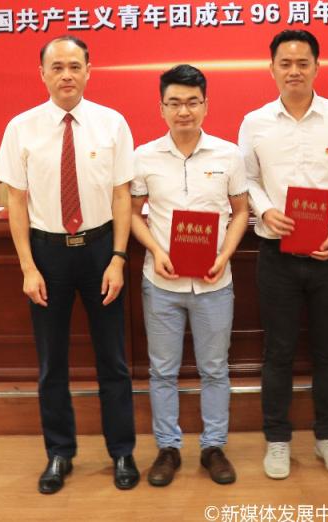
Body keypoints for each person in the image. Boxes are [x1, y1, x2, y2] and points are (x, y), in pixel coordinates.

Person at [0, 35, 139, 494]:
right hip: (48, 254)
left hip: (100, 251)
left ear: (89, 71)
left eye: (75, 66)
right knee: (51, 362)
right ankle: (59, 452)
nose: (66, 75)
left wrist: (118, 258)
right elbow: (16, 202)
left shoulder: (112, 124)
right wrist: (27, 267)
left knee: (113, 359)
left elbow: (122, 195)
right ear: (42, 74)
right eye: (56, 67)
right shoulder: (21, 128)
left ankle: (122, 452)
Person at [238, 29, 328, 480]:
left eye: (302, 63)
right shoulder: (255, 122)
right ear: (271, 68)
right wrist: (265, 210)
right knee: (277, 352)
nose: (294, 71)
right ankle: (277, 440)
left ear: (317, 66)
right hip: (276, 255)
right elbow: (246, 180)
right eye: (285, 63)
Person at [130, 65, 249, 487]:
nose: (184, 111)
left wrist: (225, 254)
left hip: (214, 282)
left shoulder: (228, 155)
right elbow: (132, 213)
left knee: (215, 368)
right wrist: (156, 249)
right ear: (161, 108)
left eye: (192, 102)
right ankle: (168, 448)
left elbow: (241, 211)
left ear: (205, 105)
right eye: (175, 103)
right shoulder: (143, 157)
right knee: (162, 370)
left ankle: (213, 447)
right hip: (162, 283)